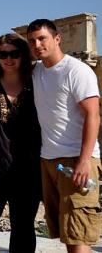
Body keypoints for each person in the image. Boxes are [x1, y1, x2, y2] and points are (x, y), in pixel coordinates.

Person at [26, 19, 101, 252]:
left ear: (57, 39)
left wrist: (84, 160)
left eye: (42, 38)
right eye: (32, 41)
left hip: (76, 159)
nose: (37, 44)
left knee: (78, 237)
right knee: (66, 235)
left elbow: (93, 115)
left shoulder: (77, 70)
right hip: (49, 161)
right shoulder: (37, 71)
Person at [0, 33, 41, 253]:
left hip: (28, 169)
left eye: (14, 54)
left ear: (24, 55)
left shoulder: (37, 82)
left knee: (23, 230)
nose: (8, 59)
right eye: (3, 54)